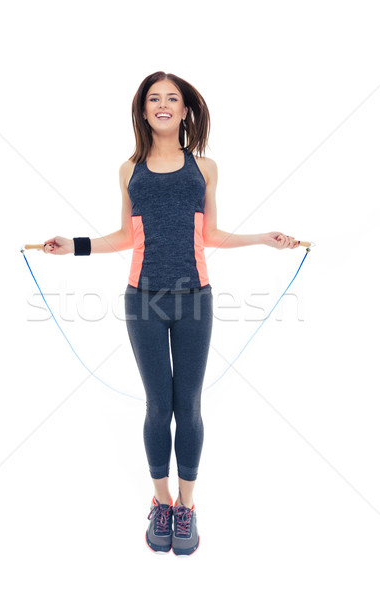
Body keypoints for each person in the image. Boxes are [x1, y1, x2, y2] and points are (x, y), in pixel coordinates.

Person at [42, 71, 300, 556]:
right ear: (143, 111)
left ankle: (187, 508)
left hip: (195, 299)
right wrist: (72, 247)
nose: (163, 104)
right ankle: (159, 503)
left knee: (191, 408)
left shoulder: (205, 168)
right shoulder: (128, 170)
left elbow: (211, 236)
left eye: (172, 98)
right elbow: (123, 237)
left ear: (185, 111)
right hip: (142, 300)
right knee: (158, 407)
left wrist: (264, 238)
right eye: (153, 98)